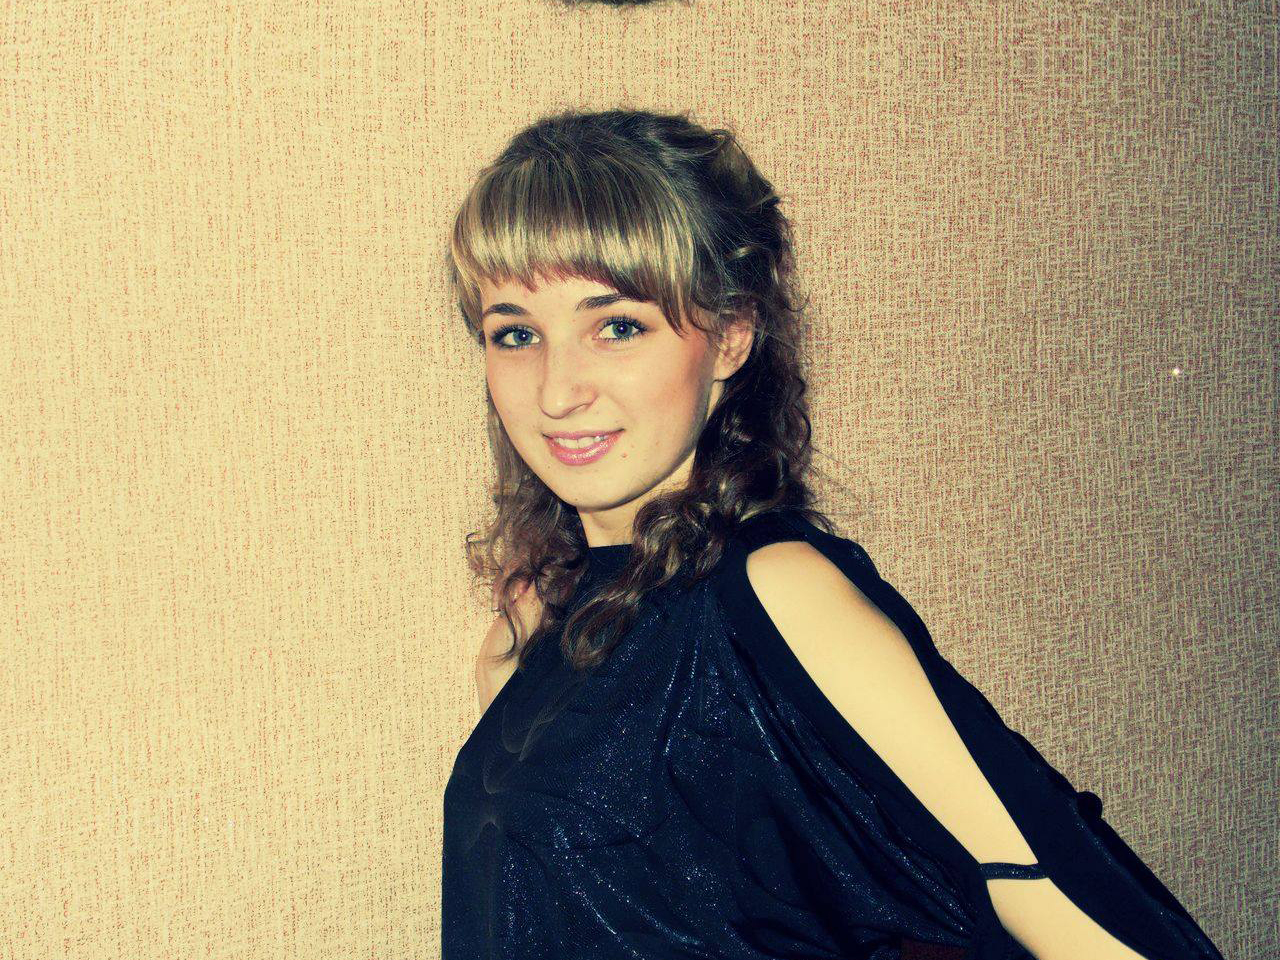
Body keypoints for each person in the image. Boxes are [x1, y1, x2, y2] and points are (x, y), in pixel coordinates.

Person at [440, 108, 1225, 960]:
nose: (556, 391)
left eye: (617, 326)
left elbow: (1089, 915)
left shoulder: (775, 594)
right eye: (516, 334)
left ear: (731, 336)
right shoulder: (537, 625)